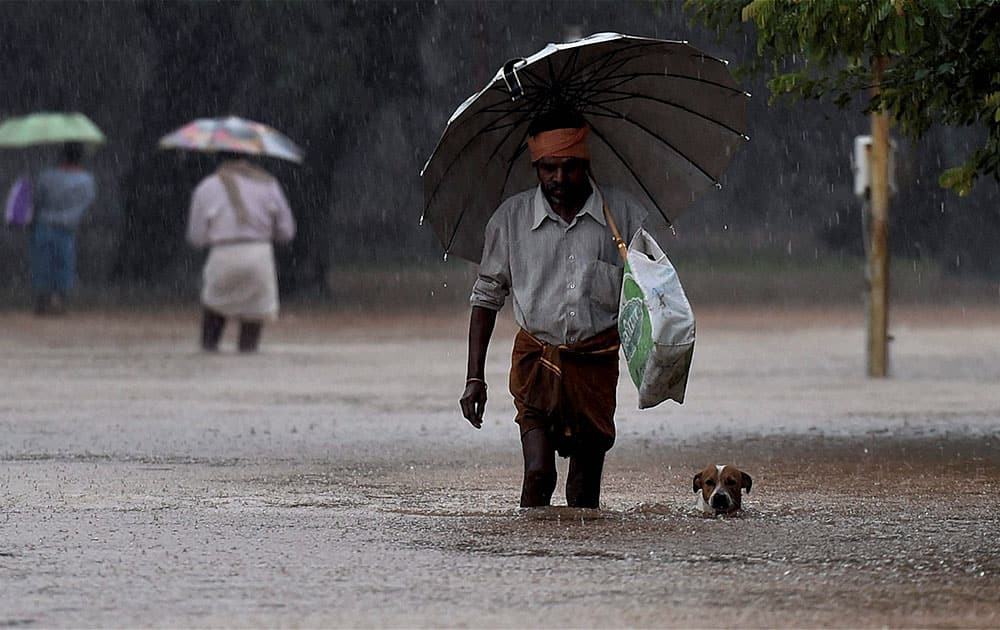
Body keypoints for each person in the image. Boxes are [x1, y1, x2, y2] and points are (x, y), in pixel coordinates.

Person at [460, 110, 647, 508]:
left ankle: (582, 565)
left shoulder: (624, 219)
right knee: (538, 473)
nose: (559, 179)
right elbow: (486, 298)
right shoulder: (510, 221)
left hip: (595, 365)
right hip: (535, 363)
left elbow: (650, 297)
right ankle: (532, 562)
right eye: (548, 168)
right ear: (535, 166)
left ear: (586, 164)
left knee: (583, 490)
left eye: (570, 168)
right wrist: (474, 377)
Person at [186, 153, 296, 352]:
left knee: (214, 308)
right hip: (259, 254)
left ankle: (209, 352)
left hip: (223, 253)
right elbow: (286, 231)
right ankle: (248, 356)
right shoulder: (269, 184)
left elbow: (197, 237)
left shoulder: (206, 187)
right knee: (254, 313)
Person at [29, 142, 97, 315]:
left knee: (43, 265)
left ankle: (42, 301)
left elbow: (37, 200)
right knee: (64, 266)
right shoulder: (87, 181)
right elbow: (87, 204)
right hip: (67, 228)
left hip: (44, 225)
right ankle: (59, 301)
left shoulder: (46, 176)